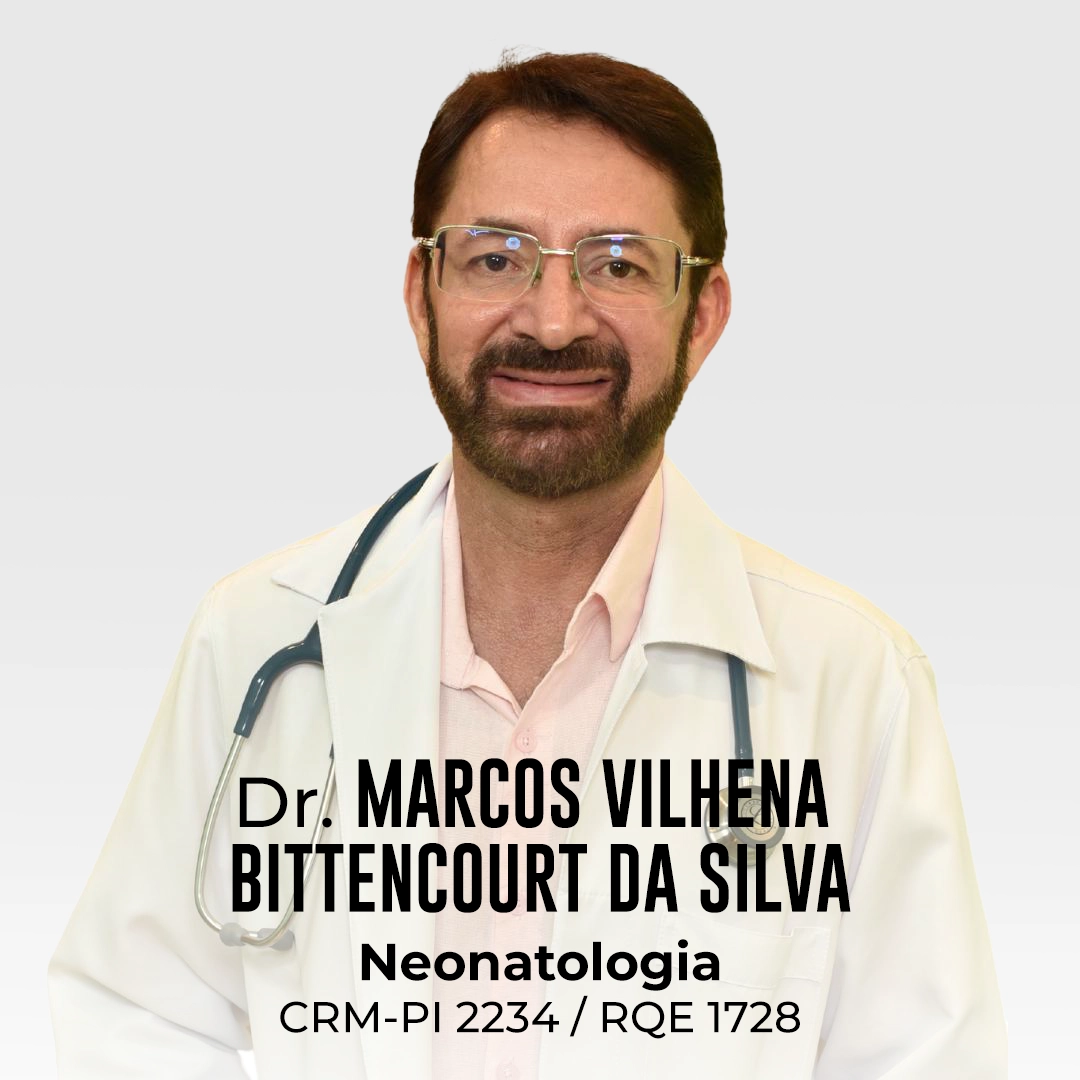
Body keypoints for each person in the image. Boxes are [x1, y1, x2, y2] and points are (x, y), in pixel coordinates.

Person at [49, 51, 1007, 1079]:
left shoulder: (852, 681)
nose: (554, 322)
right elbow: (134, 1014)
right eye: (497, 258)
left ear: (703, 313)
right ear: (422, 295)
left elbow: (927, 1063)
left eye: (619, 263)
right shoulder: (260, 638)